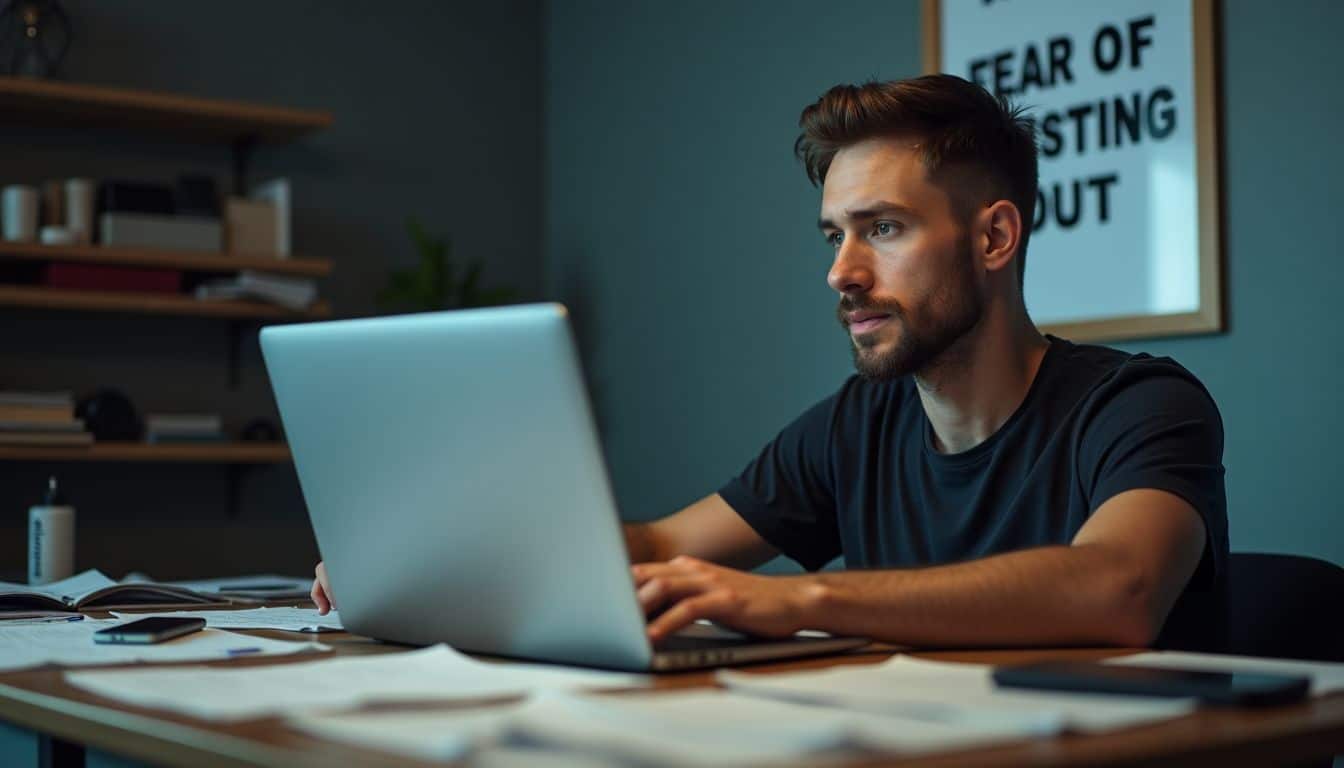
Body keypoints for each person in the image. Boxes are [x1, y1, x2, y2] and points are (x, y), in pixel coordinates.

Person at [312, 74, 1228, 651]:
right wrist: (430, 562)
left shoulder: (1141, 404)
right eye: (835, 234)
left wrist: (799, 599)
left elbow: (1119, 587)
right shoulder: (857, 424)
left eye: (884, 229)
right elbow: (668, 547)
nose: (842, 271)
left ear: (995, 236)